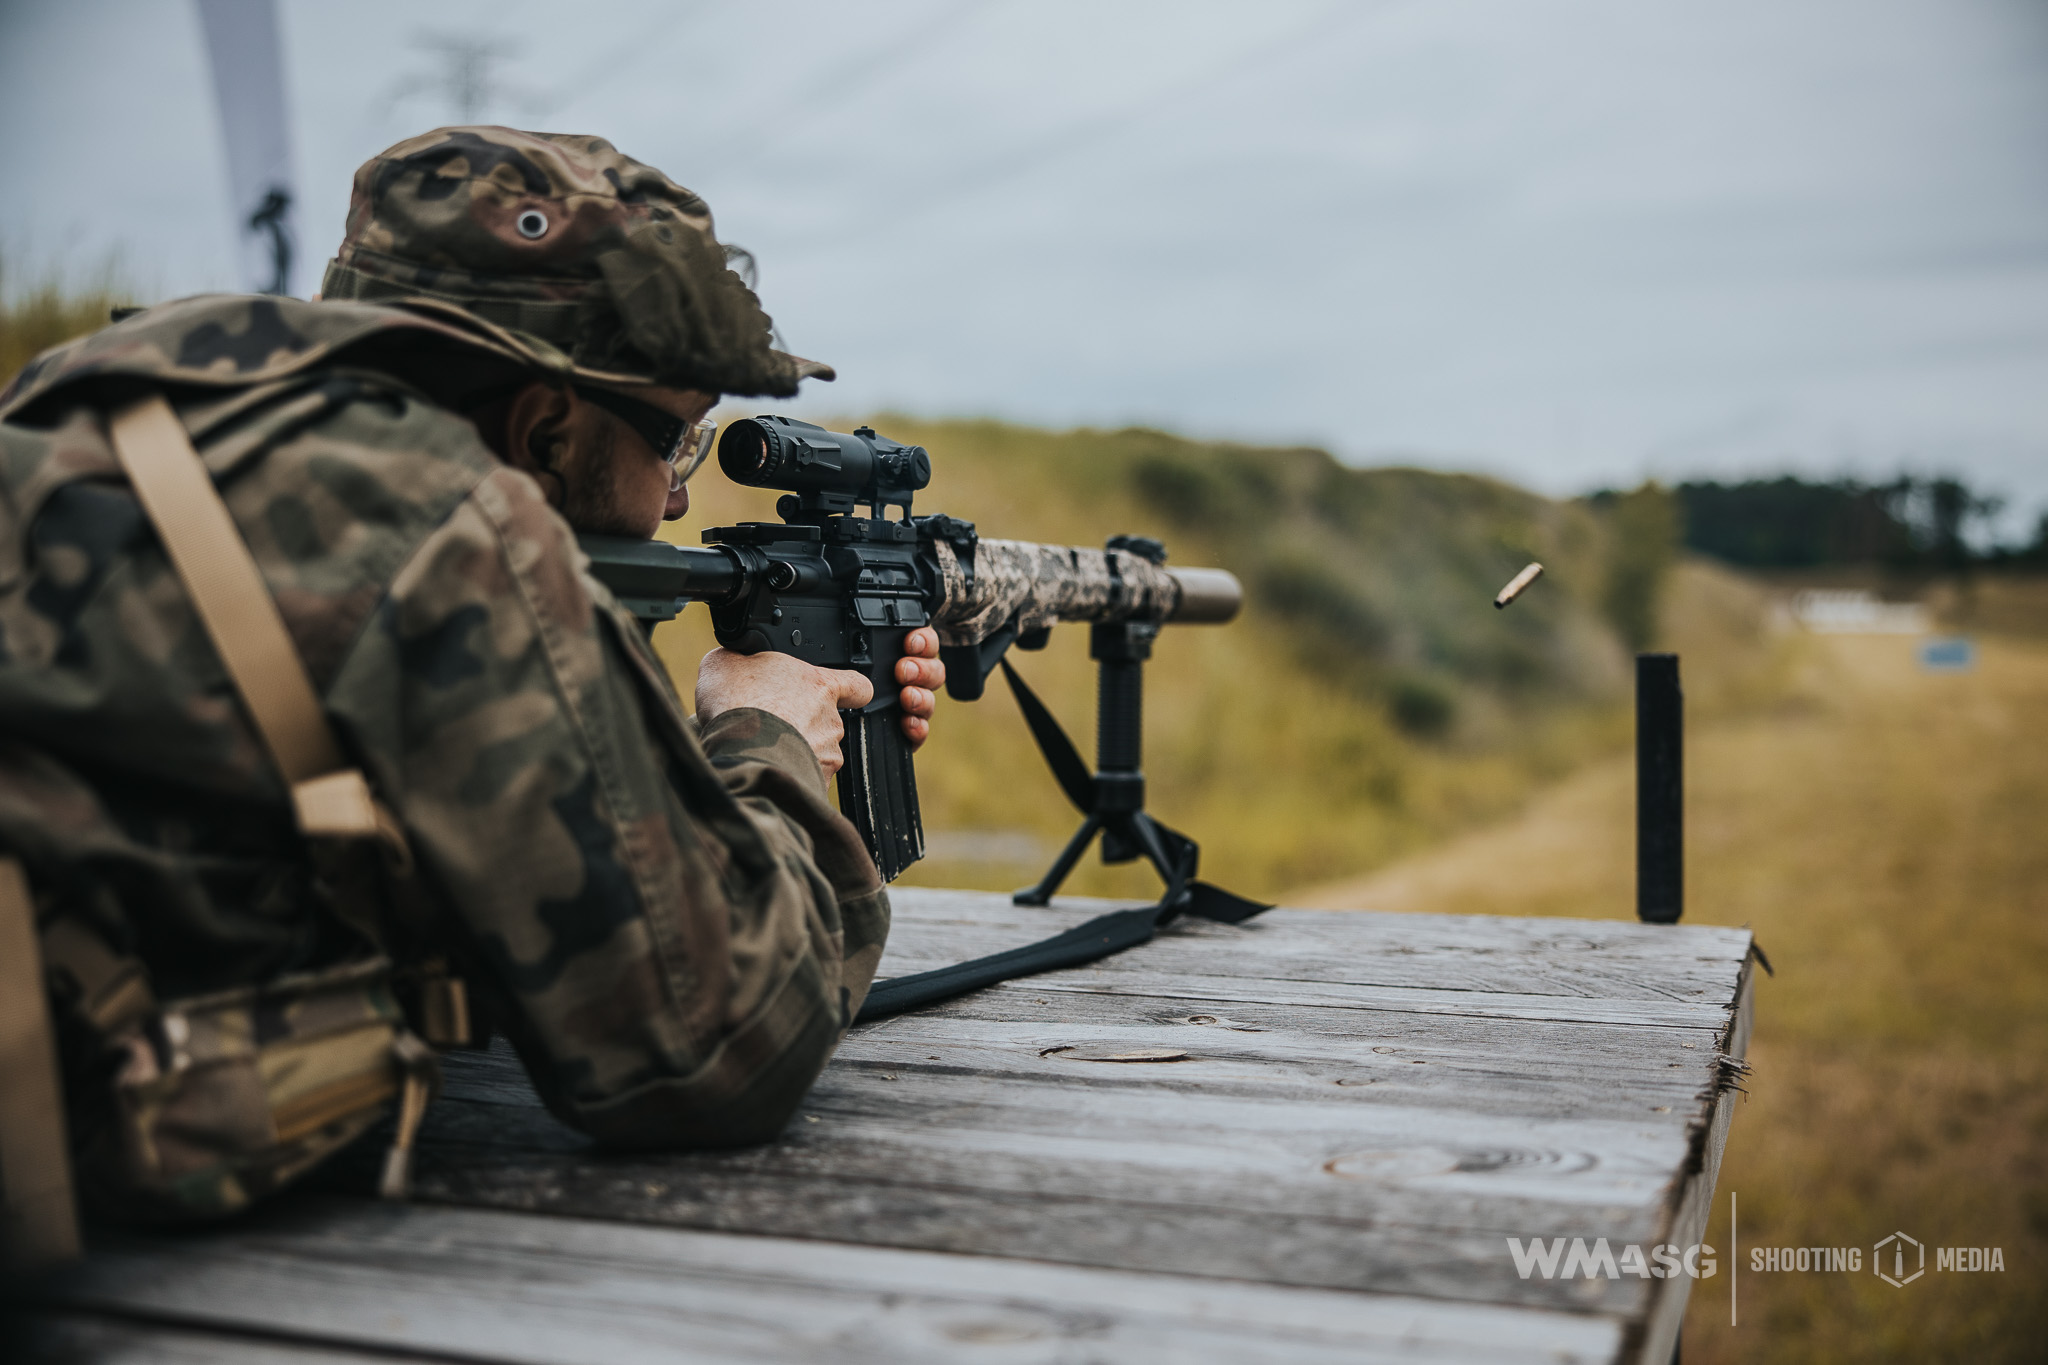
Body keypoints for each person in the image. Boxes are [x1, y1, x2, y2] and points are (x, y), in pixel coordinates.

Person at [0, 126, 942, 1217]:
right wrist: (762, 731)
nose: (677, 500)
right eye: (677, 443)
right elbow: (718, 1047)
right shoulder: (439, 525)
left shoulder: (92, 395)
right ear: (544, 427)